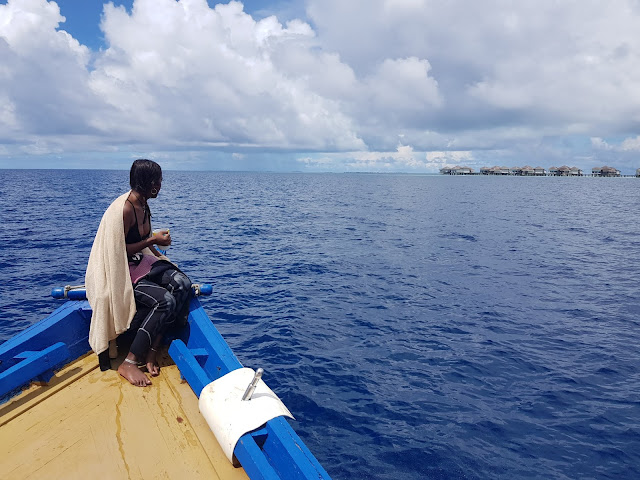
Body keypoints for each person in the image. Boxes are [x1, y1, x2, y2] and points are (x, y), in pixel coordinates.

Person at [85, 159, 192, 387]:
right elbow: (118, 250)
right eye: (158, 181)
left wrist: (158, 251)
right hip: (122, 271)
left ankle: (152, 350)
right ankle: (130, 362)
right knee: (165, 301)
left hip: (139, 263)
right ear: (149, 183)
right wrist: (154, 239)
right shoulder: (126, 208)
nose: (161, 185)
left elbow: (142, 244)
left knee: (183, 284)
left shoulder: (144, 203)